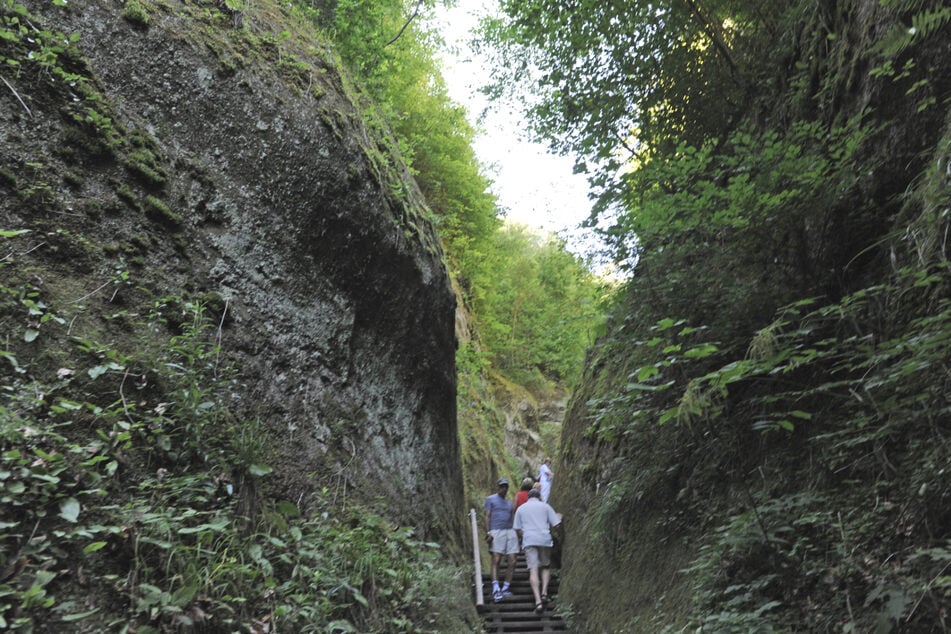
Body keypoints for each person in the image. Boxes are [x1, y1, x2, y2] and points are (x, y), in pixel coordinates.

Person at [514, 488, 562, 614]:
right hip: (544, 538)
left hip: (529, 539)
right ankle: (545, 592)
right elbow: (556, 525)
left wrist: (523, 536)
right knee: (546, 566)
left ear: (528, 497)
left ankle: (538, 601)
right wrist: (559, 518)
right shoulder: (545, 507)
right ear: (539, 496)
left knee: (533, 570)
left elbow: (518, 529)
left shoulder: (521, 509)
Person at [484, 477, 518, 602]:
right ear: (497, 487)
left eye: (506, 486)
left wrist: (516, 531)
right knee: (496, 559)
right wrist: (488, 532)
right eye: (502, 486)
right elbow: (487, 516)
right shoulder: (490, 499)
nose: (504, 488)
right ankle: (496, 588)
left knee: (513, 561)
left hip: (510, 531)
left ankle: (505, 588)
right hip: (496, 531)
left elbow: (512, 518)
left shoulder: (509, 503)